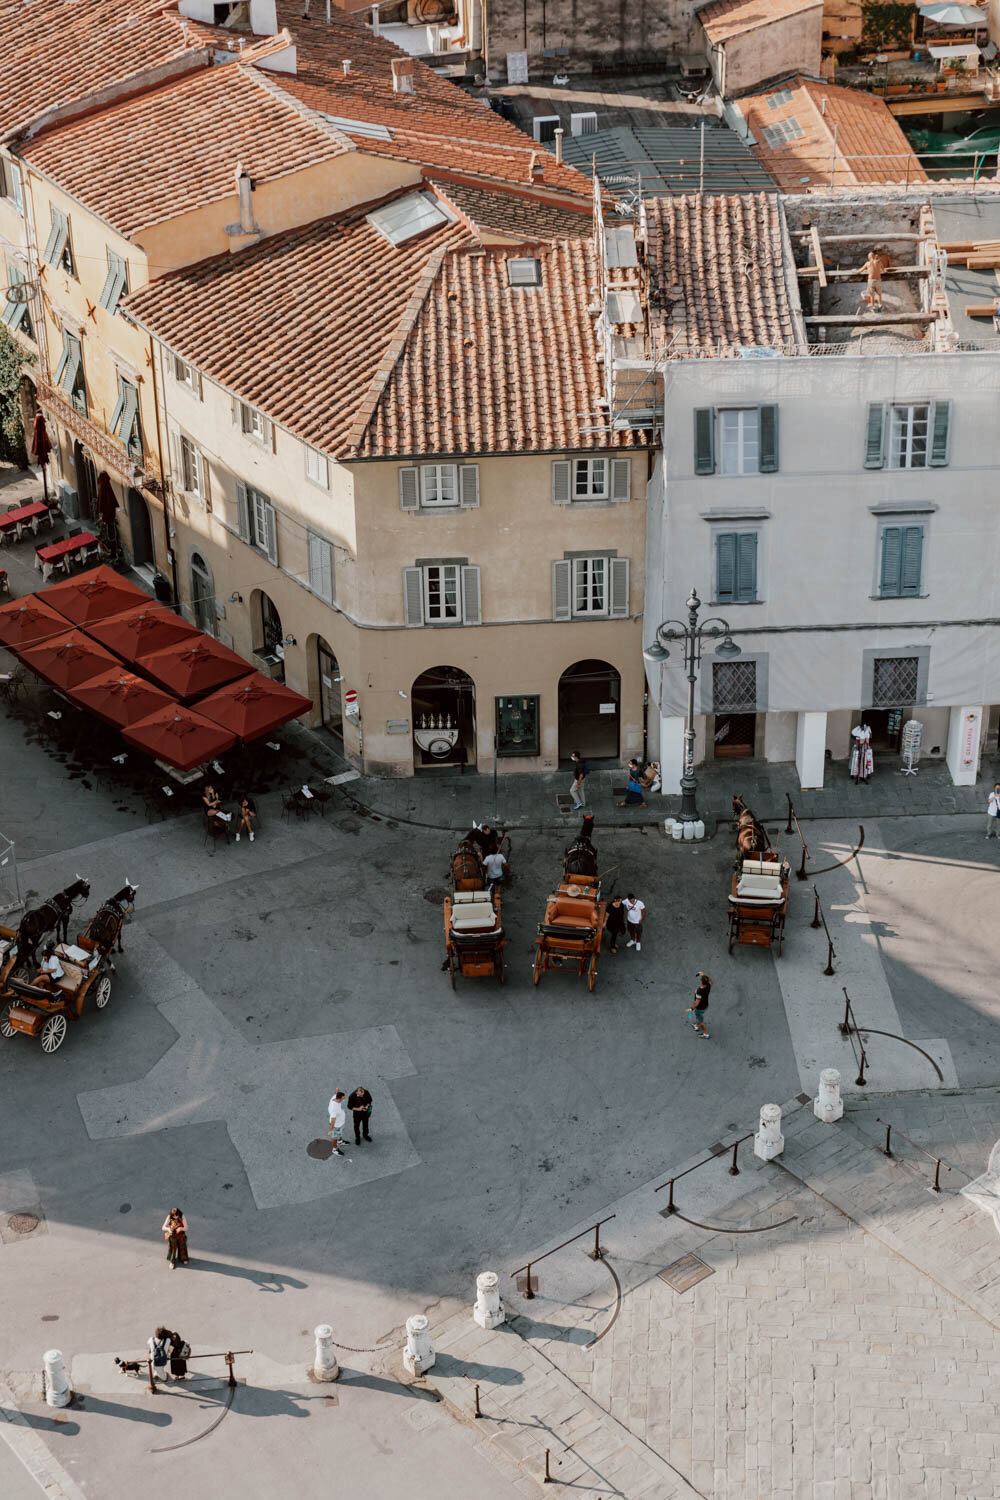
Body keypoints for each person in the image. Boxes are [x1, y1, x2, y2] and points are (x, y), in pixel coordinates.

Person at [687, 971, 712, 1038]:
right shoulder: (709, 985)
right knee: (699, 1017)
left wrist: (691, 1008)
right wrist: (704, 975)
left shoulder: (699, 991)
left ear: (701, 981)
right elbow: (710, 980)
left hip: (700, 1008)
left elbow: (696, 1003)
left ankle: (706, 1034)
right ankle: (696, 1026)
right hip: (705, 1005)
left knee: (701, 1021)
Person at [328, 1090, 348, 1156]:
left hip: (340, 1123)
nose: (344, 1099)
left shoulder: (335, 1096)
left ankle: (340, 1141)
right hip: (336, 1125)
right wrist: (331, 1130)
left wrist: (337, 1090)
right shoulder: (334, 1108)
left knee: (339, 1134)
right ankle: (335, 1149)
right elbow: (333, 1120)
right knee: (334, 1137)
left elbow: (336, 1091)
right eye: (343, 1098)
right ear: (339, 1099)